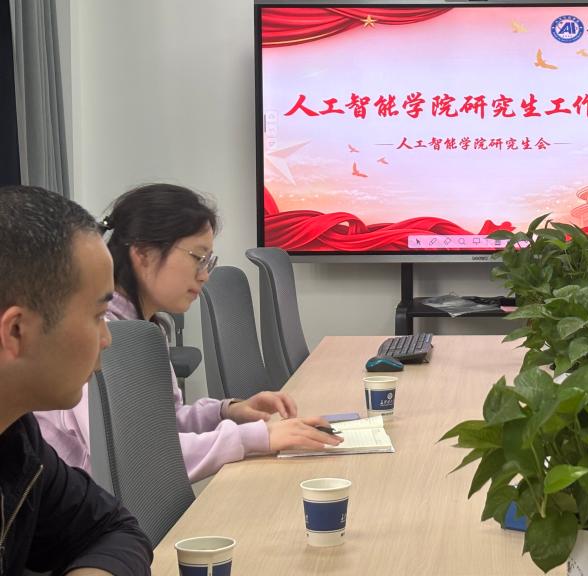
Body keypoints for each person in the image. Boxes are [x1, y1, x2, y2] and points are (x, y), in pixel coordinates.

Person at [36, 184, 339, 482]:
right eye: (198, 257)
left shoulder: (142, 328)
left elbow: (162, 426)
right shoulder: (105, 335)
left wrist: (227, 412)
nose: (204, 275)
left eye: (208, 262)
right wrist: (258, 437)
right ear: (143, 253)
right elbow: (140, 458)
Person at [0, 185, 151, 575]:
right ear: (16, 330)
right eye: (98, 316)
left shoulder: (18, 440)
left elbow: (114, 530)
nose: (107, 338)